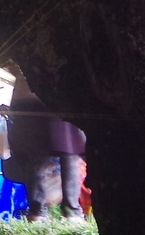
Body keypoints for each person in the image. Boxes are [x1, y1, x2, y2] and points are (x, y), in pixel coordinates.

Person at [6, 84, 86, 221]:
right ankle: (72, 212)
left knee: (36, 154)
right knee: (69, 151)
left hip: (28, 99)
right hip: (60, 94)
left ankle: (37, 212)